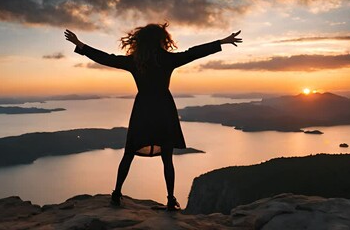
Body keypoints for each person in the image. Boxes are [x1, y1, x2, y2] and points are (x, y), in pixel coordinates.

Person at [64, 23, 242, 210]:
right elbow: (194, 52)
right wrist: (222, 42)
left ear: (140, 41)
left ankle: (116, 195)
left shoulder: (135, 61)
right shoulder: (167, 59)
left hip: (143, 109)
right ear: (161, 39)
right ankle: (171, 200)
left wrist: (81, 45)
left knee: (128, 153)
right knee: (167, 157)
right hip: (164, 109)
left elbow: (107, 59)